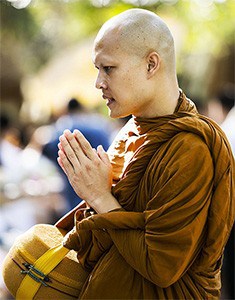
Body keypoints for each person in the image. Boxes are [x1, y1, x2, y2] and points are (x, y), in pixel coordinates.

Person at [56, 9, 235, 299]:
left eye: (109, 68)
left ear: (151, 64)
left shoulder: (190, 149)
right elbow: (102, 243)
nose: (98, 83)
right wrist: (91, 196)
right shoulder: (129, 134)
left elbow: (161, 266)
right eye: (97, 69)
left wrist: (101, 197)